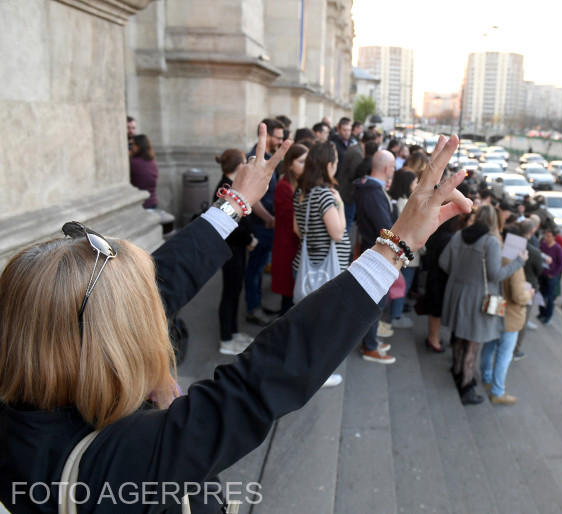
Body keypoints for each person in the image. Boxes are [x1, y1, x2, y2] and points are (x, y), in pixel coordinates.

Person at [0, 125, 472, 513]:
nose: (153, 313)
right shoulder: (108, 465)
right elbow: (254, 385)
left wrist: (233, 205)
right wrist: (394, 248)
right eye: (138, 314)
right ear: (105, 344)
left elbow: (157, 283)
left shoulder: (29, 407)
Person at [439, 205, 527, 405]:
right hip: (478, 298)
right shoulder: (491, 242)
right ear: (494, 221)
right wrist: (517, 263)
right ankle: (466, 386)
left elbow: (444, 263)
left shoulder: (459, 235)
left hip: (456, 293)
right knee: (473, 343)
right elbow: (496, 275)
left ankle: (457, 370)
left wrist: (460, 275)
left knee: (459, 336)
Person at [293, 142, 351, 387]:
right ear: (329, 165)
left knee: (309, 324)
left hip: (306, 268)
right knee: (323, 326)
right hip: (324, 272)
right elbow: (338, 233)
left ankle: (306, 367)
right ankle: (318, 374)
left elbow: (297, 230)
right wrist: (341, 205)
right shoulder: (326, 194)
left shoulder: (301, 192)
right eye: (335, 161)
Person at [353, 150, 398, 363]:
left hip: (370, 249)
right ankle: (369, 347)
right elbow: (386, 228)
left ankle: (370, 341)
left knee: (375, 301)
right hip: (377, 254)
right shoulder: (373, 191)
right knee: (375, 302)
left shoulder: (367, 187)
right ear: (388, 168)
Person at [481, 225, 533, 406]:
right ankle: (497, 391)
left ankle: (486, 376)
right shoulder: (515, 264)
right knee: (504, 354)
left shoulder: (498, 255)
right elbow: (519, 296)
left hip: (495, 310)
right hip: (510, 316)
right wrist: (529, 295)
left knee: (489, 346)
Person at [213, 149, 258, 355]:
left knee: (235, 290)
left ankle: (233, 331)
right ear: (239, 166)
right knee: (230, 293)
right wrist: (248, 238)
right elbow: (230, 224)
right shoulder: (224, 187)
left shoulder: (231, 185)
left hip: (236, 249)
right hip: (230, 249)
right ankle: (226, 339)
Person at [244, 118, 285, 326]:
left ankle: (257, 304)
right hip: (261, 224)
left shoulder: (269, 156)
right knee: (254, 269)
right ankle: (253, 308)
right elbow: (253, 195)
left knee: (259, 268)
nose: (280, 141)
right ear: (267, 136)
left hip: (267, 223)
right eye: (278, 137)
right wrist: (268, 218)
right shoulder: (257, 158)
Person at [271, 143, 307, 315]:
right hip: (287, 244)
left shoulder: (300, 182)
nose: (305, 166)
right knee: (288, 293)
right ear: (290, 163)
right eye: (301, 162)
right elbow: (292, 219)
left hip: (295, 243)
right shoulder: (284, 185)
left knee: (294, 293)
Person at [418, 216, 461, 353]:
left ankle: (433, 337)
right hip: (440, 278)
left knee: (433, 309)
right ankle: (433, 340)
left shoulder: (436, 233)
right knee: (436, 311)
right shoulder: (448, 238)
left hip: (432, 274)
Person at [387, 168, 419, 328]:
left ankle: (395, 312)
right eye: (414, 182)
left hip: (401, 251)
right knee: (403, 284)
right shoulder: (406, 204)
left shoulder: (397, 201)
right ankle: (396, 316)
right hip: (408, 252)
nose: (417, 184)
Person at [514, 216, 544, 360]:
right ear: (532, 231)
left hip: (510, 282)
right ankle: (515, 350)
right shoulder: (534, 251)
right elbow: (539, 271)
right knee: (522, 321)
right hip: (527, 288)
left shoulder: (512, 243)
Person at [337, 131, 378, 232]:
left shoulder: (355, 148)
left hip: (345, 192)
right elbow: (354, 175)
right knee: (347, 224)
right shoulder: (358, 153)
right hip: (348, 194)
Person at [538, 228, 562, 325]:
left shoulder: (558, 249)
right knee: (541, 295)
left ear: (553, 237)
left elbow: (561, 264)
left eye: (548, 236)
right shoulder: (543, 245)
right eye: (545, 235)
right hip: (542, 274)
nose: (546, 238)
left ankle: (548, 316)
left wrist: (553, 274)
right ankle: (542, 313)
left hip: (551, 277)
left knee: (549, 298)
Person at [129, 134, 159, 209]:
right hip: (152, 201)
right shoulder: (152, 161)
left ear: (138, 146)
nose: (131, 147)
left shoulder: (133, 162)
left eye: (133, 144)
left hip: (140, 204)